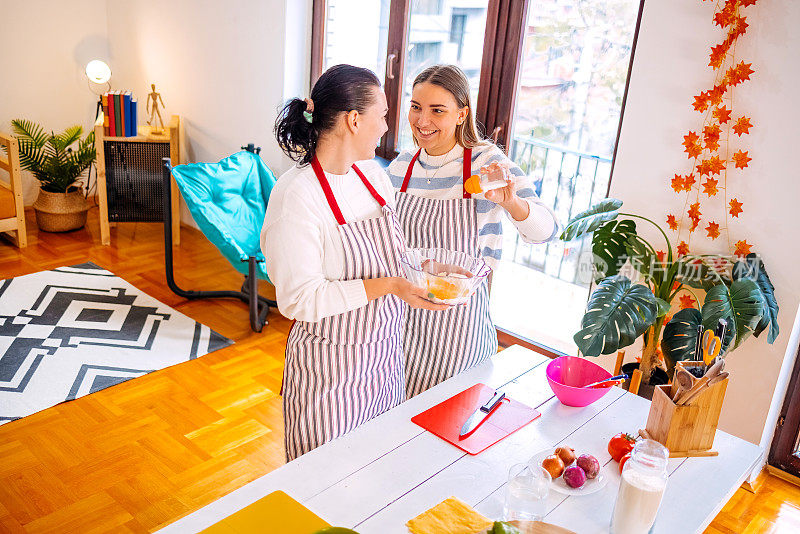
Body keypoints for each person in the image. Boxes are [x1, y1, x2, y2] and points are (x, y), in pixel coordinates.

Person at [262, 65, 447, 461]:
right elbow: (299, 300)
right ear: (354, 120)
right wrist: (391, 286)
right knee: (327, 491)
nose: (386, 126)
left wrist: (430, 265)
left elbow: (390, 255)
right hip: (329, 375)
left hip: (384, 362)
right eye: (381, 115)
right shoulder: (297, 195)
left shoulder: (372, 176)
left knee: (378, 477)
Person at [387, 64, 559, 398]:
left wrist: (511, 203)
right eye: (416, 107)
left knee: (452, 429)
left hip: (459, 332)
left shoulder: (487, 163)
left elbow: (546, 231)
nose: (422, 122)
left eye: (438, 110)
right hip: (402, 324)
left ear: (462, 114)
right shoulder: (400, 167)